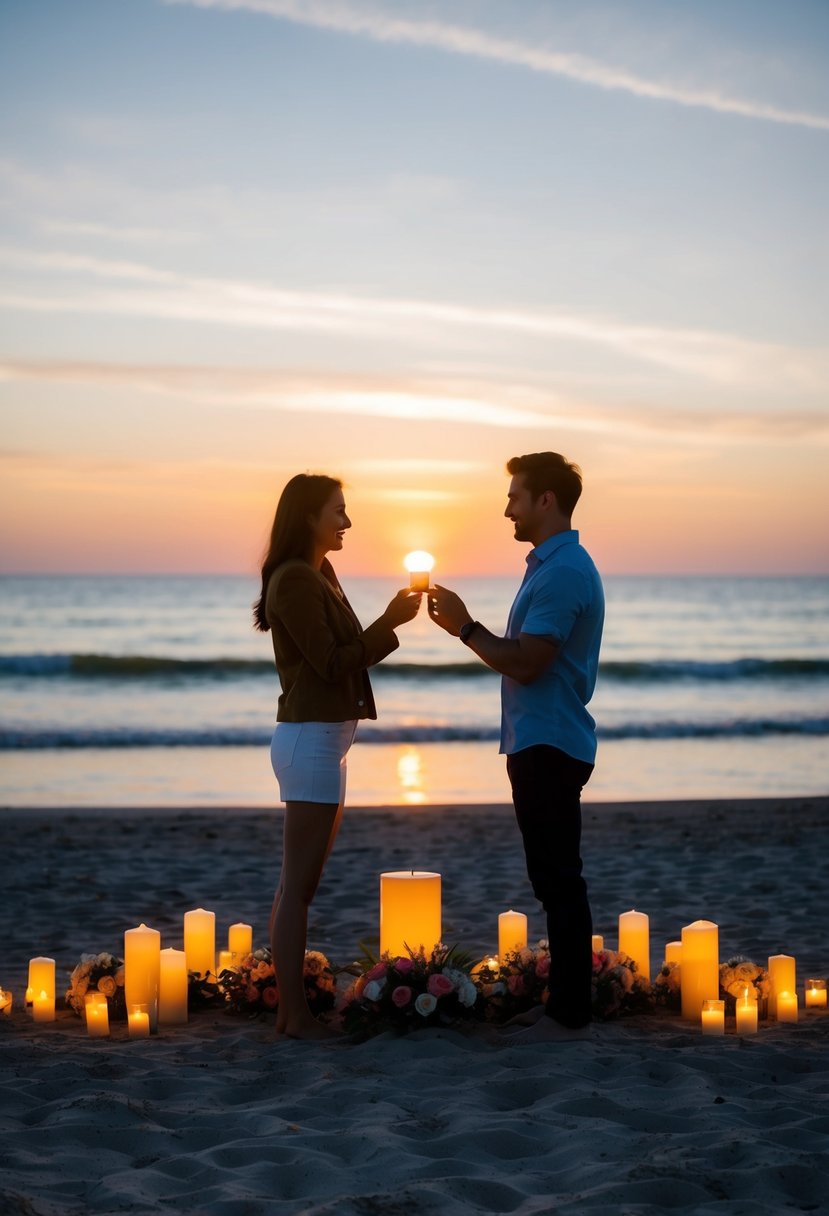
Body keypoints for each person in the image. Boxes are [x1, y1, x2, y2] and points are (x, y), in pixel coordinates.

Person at [427, 452, 604, 1043]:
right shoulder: (550, 567)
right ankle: (564, 1005)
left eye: (514, 496)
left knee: (559, 878)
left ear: (545, 500)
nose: (507, 507)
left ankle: (569, 1013)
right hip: (541, 739)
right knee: (552, 877)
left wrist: (464, 628)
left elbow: (528, 663)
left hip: (550, 742)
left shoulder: (563, 572)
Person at [253, 473, 422, 1040]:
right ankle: (295, 1016)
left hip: (327, 741)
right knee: (297, 887)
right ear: (309, 517)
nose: (347, 522)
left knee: (298, 885)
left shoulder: (319, 574)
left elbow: (340, 651)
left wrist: (383, 623)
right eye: (338, 511)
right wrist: (391, 624)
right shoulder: (296, 579)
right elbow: (332, 661)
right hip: (309, 741)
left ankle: (289, 1012)